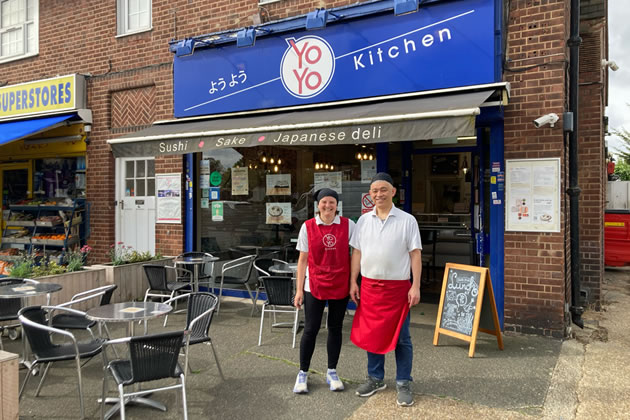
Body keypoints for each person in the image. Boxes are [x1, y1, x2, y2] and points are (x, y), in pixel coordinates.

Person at [349, 172, 422, 407]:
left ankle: (403, 382)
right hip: (370, 286)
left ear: (393, 192)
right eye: (374, 191)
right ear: (370, 194)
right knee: (372, 335)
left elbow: (415, 254)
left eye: (383, 189)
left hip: (398, 288)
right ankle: (375, 378)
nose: (378, 194)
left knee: (402, 338)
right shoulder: (363, 221)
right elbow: (357, 253)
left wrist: (416, 285)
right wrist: (353, 281)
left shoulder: (407, 220)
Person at [292, 188, 356, 394]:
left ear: (337, 205)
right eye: (324, 203)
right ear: (317, 205)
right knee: (310, 329)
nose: (328, 206)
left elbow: (357, 255)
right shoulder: (308, 226)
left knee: (335, 328)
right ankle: (302, 373)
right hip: (314, 285)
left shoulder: (348, 225)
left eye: (332, 203)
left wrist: (354, 281)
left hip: (340, 284)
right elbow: (302, 260)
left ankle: (332, 371)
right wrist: (299, 290)